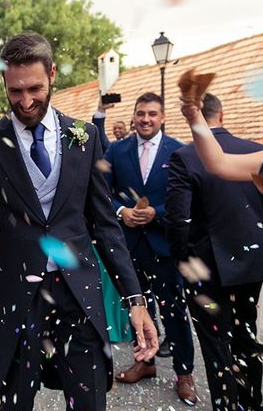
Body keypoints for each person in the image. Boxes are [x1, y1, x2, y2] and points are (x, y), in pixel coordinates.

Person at [0, 33, 157, 411]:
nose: (25, 102)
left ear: (52, 74)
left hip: (79, 295)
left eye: (35, 89)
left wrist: (135, 300)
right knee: (17, 403)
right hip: (18, 298)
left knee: (90, 401)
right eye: (15, 91)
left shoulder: (85, 137)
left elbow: (105, 225)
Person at [166, 93, 263, 411]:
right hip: (250, 264)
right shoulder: (253, 149)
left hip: (206, 269)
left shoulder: (185, 156)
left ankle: (227, 406)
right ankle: (251, 403)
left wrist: (183, 262)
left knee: (216, 345)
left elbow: (178, 219)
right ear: (222, 113)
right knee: (246, 337)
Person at [104, 92, 196, 405]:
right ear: (134, 115)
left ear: (163, 117)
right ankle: (145, 362)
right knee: (138, 310)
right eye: (141, 113)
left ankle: (184, 374)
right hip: (129, 246)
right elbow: (101, 193)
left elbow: (187, 199)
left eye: (152, 114)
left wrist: (157, 211)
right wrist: (121, 211)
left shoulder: (180, 151)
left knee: (174, 312)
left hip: (164, 245)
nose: (146, 119)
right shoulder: (117, 150)